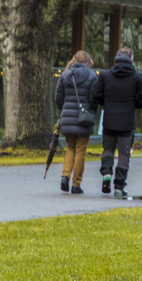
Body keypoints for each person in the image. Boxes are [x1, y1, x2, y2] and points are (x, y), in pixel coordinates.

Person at [92, 45, 142, 198]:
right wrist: (133, 105)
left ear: (116, 59)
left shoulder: (105, 75)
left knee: (108, 148)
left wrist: (106, 103)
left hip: (110, 118)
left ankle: (106, 173)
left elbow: (96, 94)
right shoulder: (137, 77)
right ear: (131, 59)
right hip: (127, 120)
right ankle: (119, 186)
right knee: (124, 153)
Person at [53, 51, 98, 194]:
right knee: (80, 150)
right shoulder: (92, 76)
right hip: (84, 119)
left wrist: (65, 110)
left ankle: (65, 176)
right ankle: (76, 184)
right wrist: (91, 111)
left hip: (67, 117)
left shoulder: (65, 75)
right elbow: (94, 98)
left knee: (70, 148)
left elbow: (58, 98)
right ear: (88, 61)